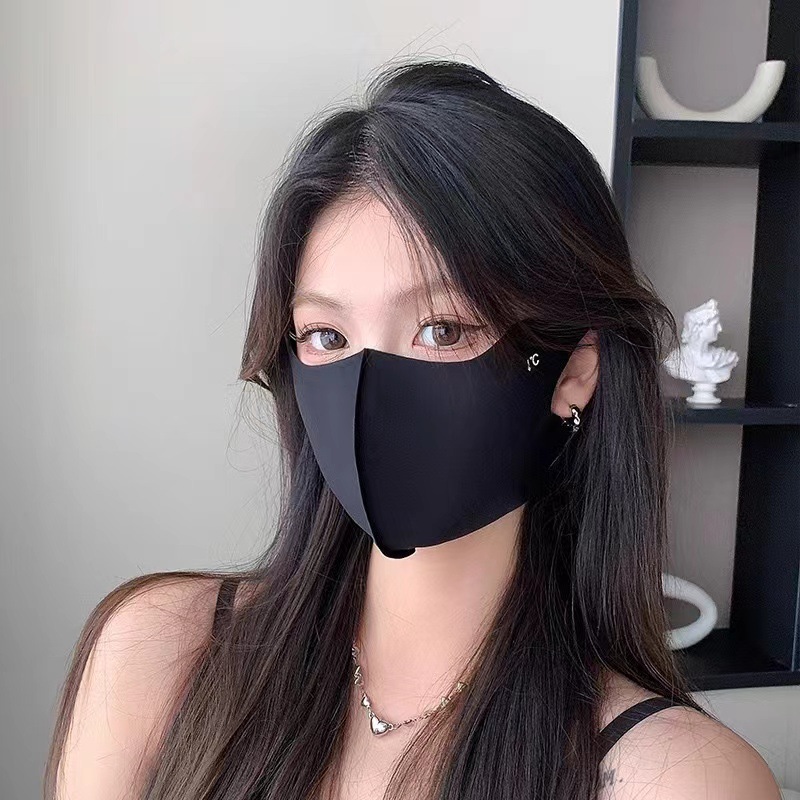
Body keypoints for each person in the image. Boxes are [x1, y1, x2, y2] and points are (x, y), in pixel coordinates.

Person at [45, 58, 782, 800]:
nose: (369, 389)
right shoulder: (158, 653)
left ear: (573, 372)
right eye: (327, 336)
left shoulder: (670, 778)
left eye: (442, 329)